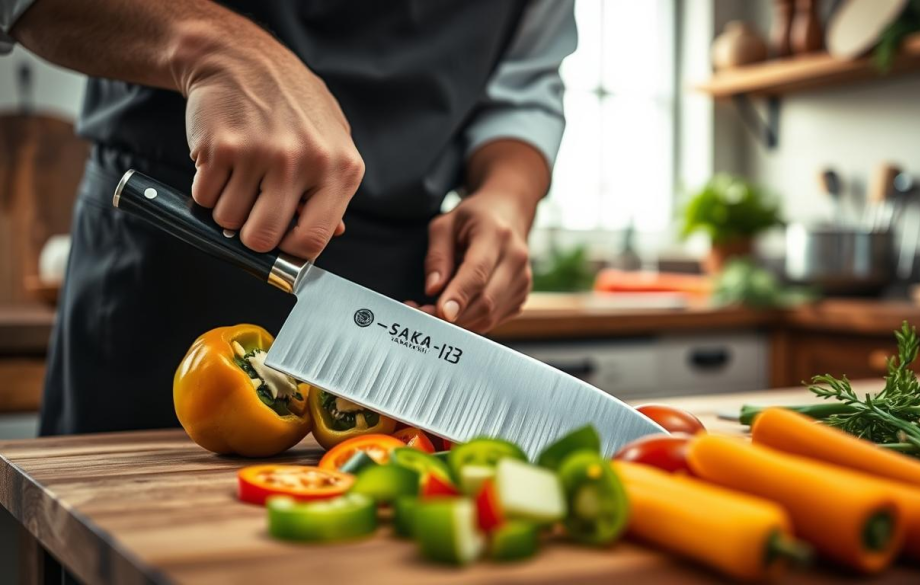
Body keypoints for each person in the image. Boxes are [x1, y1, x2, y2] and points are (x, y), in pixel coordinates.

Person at [1, 0, 576, 435]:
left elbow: (523, 89)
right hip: (171, 241)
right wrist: (210, 47)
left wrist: (507, 196)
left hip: (405, 291)